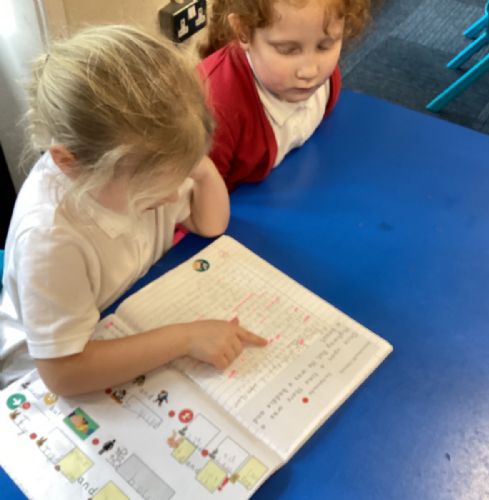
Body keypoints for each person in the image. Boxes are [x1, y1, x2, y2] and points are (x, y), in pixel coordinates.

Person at [0, 25, 266, 396]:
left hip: (125, 311)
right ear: (70, 164)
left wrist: (200, 169)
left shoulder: (141, 164)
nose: (174, 197)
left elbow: (210, 224)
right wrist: (186, 338)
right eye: (155, 190)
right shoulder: (49, 238)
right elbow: (63, 376)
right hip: (43, 379)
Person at [198, 0, 373, 191]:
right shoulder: (216, 110)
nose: (309, 71)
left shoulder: (326, 83)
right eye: (288, 50)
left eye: (324, 46)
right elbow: (192, 198)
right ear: (243, 31)